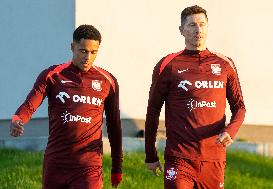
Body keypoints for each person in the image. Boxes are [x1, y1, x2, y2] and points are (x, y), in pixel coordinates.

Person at [145, 5, 246, 189]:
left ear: (207, 27)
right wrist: (150, 154)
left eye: (202, 24)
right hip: (179, 157)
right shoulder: (168, 64)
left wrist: (230, 131)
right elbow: (153, 110)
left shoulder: (225, 64)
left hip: (213, 158)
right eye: (192, 25)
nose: (198, 30)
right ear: (182, 30)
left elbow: (239, 107)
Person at [10, 25, 123, 189]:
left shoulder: (108, 81)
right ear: (72, 47)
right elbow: (30, 105)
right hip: (56, 164)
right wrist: (17, 119)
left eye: (94, 52)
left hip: (88, 165)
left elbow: (114, 126)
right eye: (83, 51)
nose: (88, 58)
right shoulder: (53, 75)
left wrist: (117, 167)